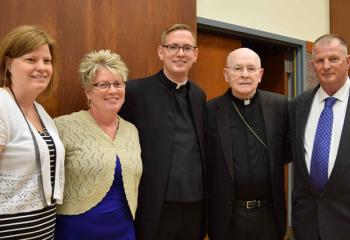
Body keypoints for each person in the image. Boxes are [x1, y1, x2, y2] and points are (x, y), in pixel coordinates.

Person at [120, 23, 207, 240]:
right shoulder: (135, 91)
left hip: (195, 203)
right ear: (161, 52)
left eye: (187, 48)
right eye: (173, 47)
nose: (180, 53)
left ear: (195, 54)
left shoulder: (199, 95)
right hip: (154, 204)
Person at [54, 49, 142, 239]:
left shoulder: (131, 131)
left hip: (123, 231)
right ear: (88, 91)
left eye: (118, 84)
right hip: (76, 230)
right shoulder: (62, 126)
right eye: (103, 84)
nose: (112, 90)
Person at [206, 48, 290, 240]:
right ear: (226, 75)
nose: (245, 74)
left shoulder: (280, 106)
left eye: (251, 68)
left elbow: (288, 148)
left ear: (260, 75)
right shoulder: (210, 110)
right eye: (238, 68)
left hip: (269, 214)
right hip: (228, 217)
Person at [0, 25, 65, 239]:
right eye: (31, 60)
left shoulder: (41, 112)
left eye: (47, 61)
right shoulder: (2, 105)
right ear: (9, 64)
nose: (42, 67)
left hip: (43, 230)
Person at [289, 34, 350, 240]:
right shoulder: (298, 105)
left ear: (347, 62)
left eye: (333, 59)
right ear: (313, 64)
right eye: (319, 60)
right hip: (307, 225)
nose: (326, 66)